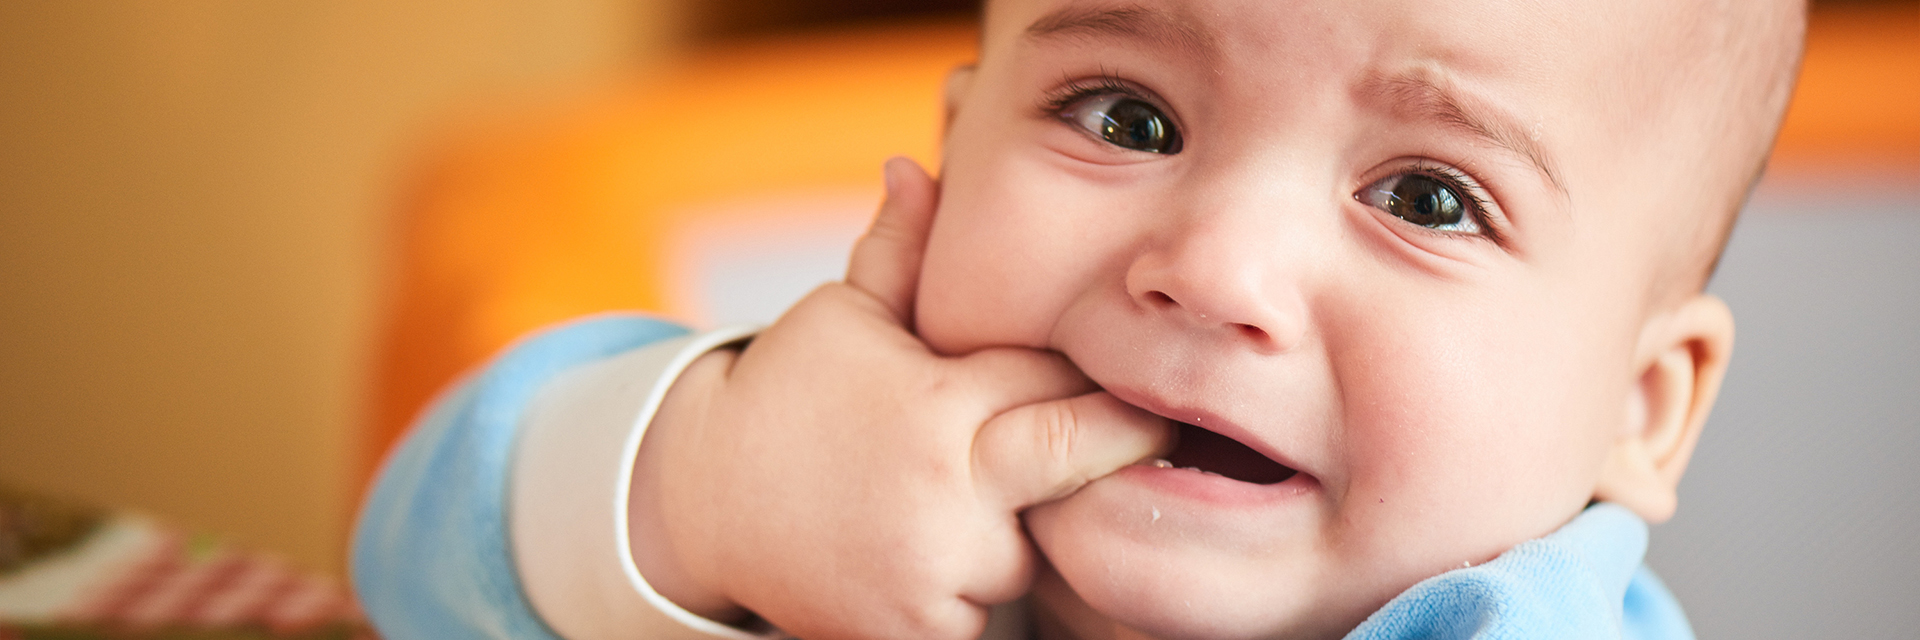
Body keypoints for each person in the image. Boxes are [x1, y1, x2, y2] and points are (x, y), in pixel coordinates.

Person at [351, 0, 1807, 638]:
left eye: (1427, 199)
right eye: (1127, 115)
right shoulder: (832, 479)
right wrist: (709, 484)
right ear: (956, 138)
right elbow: (410, 569)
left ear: (1642, 406)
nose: (1216, 270)